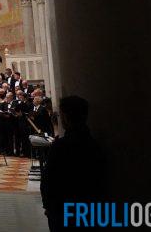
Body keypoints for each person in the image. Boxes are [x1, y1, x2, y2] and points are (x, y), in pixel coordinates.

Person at [41, 96, 105, 232]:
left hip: (62, 210)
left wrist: (48, 206)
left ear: (65, 117)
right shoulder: (95, 145)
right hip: (89, 208)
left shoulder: (60, 146)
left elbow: (48, 180)